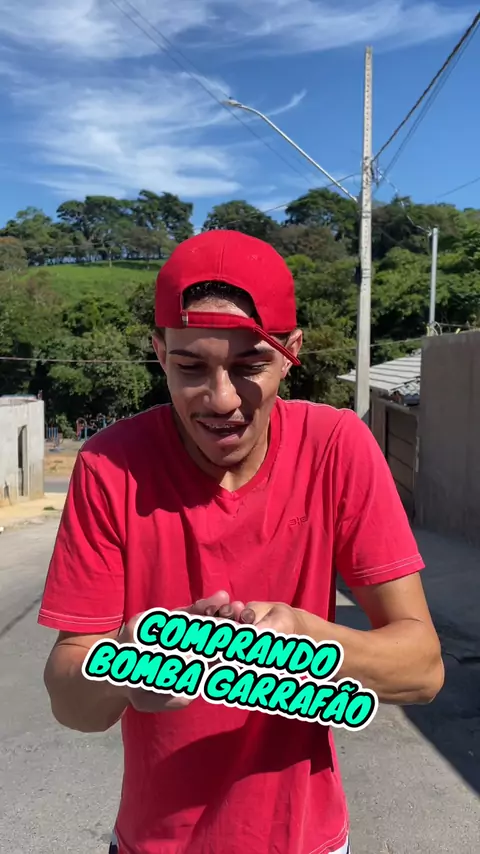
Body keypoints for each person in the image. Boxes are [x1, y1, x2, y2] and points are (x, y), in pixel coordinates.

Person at [39, 230, 444, 854]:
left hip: (307, 841)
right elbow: (72, 700)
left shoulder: (336, 448)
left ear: (291, 353)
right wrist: (129, 670)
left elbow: (422, 669)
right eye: (189, 367)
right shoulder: (109, 467)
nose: (221, 399)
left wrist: (304, 639)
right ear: (159, 352)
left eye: (250, 365)